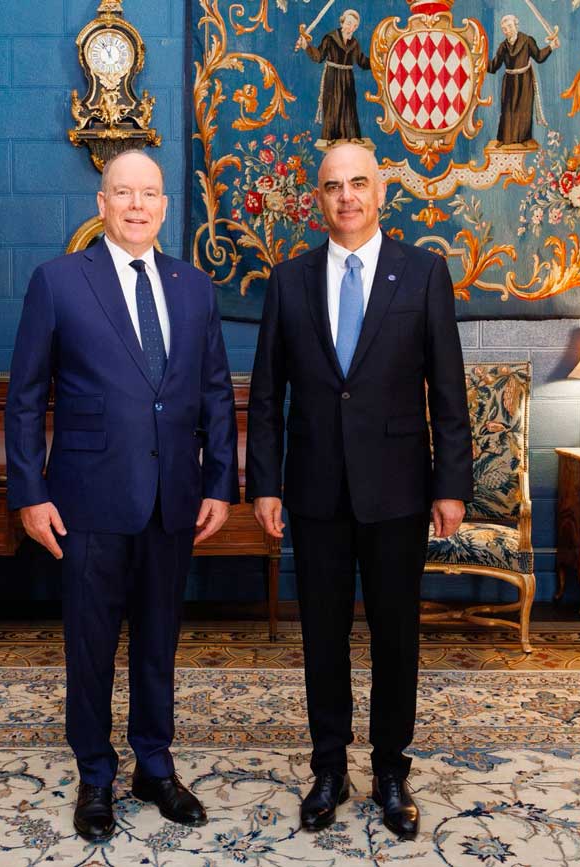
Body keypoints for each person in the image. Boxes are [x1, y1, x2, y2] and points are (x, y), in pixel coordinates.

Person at [4, 149, 239, 842]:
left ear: (165, 206)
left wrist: (220, 483)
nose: (137, 206)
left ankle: (155, 767)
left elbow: (216, 392)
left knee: (158, 641)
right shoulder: (58, 282)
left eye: (149, 194)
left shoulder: (194, 288)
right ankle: (97, 774)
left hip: (174, 498)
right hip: (87, 498)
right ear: (102, 203)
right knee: (91, 643)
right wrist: (30, 492)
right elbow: (25, 398)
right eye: (123, 193)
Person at [246, 143, 472, 841]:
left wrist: (451, 484)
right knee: (323, 637)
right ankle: (329, 769)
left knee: (395, 637)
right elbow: (266, 395)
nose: (346, 196)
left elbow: (449, 389)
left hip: (398, 491)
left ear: (381, 194)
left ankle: (391, 772)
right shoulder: (288, 280)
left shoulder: (424, 273)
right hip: (314, 490)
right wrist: (265, 483)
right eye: (332, 186)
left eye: (358, 184)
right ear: (318, 198)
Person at [296, 9, 371, 147]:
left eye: (355, 26)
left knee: (349, 106)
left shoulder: (354, 43)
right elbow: (319, 57)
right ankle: (330, 137)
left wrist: (377, 61)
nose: (351, 28)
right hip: (332, 76)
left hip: (347, 78)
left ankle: (352, 136)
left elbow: (362, 61)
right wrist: (307, 46)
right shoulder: (330, 38)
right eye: (349, 23)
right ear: (342, 22)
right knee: (332, 105)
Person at [487, 13, 558, 148]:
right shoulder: (503, 46)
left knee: (524, 109)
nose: (507, 30)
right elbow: (494, 66)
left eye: (510, 26)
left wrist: (551, 47)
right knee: (507, 109)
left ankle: (524, 138)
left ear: (516, 25)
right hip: (509, 81)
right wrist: (480, 61)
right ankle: (505, 138)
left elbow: (539, 57)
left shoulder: (527, 41)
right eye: (504, 29)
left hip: (525, 80)